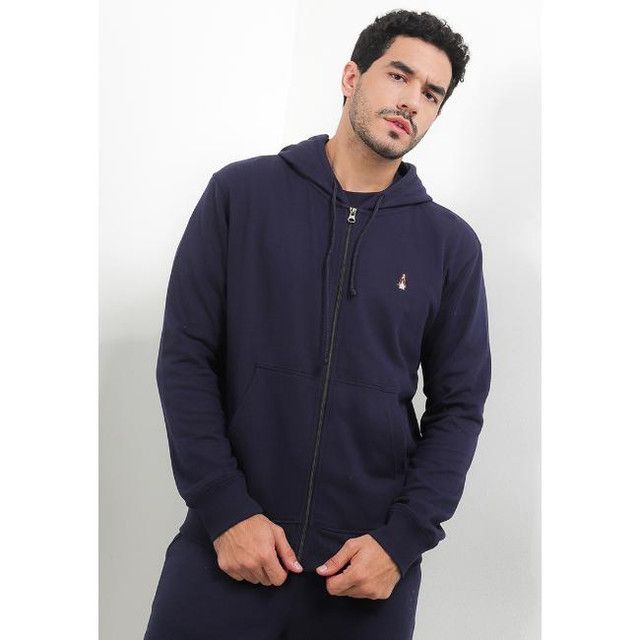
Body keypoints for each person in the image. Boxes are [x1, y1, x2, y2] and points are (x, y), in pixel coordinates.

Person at [144, 8, 491, 640]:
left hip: (363, 574)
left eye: (431, 94)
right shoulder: (240, 195)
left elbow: (460, 407)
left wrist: (401, 542)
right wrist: (224, 510)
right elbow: (186, 357)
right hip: (226, 552)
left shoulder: (450, 246)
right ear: (352, 77)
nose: (411, 102)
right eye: (399, 75)